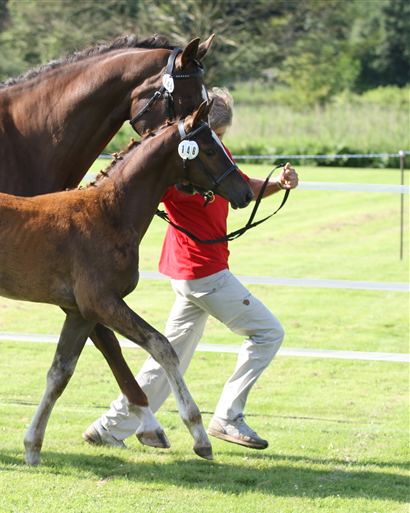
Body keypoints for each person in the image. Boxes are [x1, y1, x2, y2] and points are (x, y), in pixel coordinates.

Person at [83, 87, 299, 450]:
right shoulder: (178, 167)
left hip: (194, 273)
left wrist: (278, 183)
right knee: (268, 333)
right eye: (220, 136)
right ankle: (228, 417)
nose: (222, 144)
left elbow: (242, 187)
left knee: (171, 358)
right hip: (203, 274)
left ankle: (109, 428)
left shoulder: (214, 156)